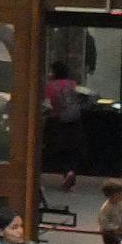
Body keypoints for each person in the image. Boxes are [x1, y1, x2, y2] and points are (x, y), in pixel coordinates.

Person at [42, 60, 86, 190]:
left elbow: (46, 104)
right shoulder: (72, 84)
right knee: (72, 150)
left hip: (58, 122)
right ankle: (70, 171)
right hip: (74, 122)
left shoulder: (50, 86)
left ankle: (63, 172)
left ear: (54, 72)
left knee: (57, 149)